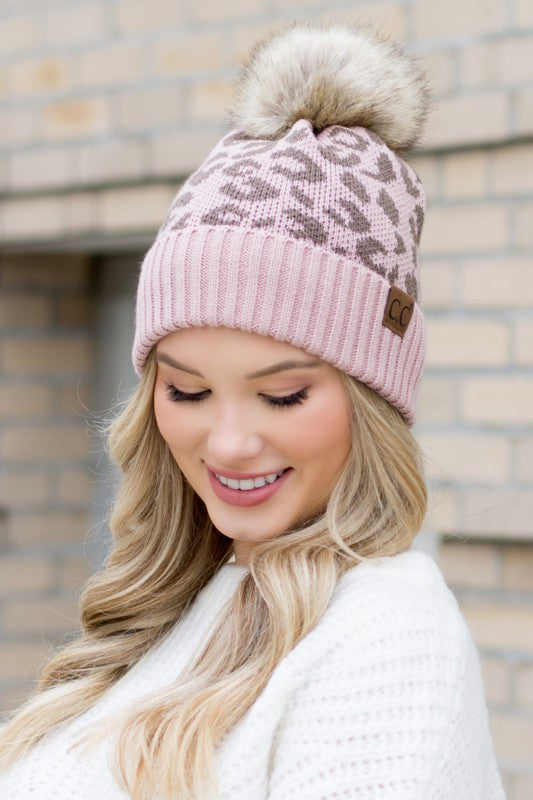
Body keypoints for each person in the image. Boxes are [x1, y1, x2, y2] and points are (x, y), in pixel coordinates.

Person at [0, 20, 505, 800]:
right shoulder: (180, 610)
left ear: (370, 403)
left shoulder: (387, 633)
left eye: (282, 394)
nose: (229, 443)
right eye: (186, 391)